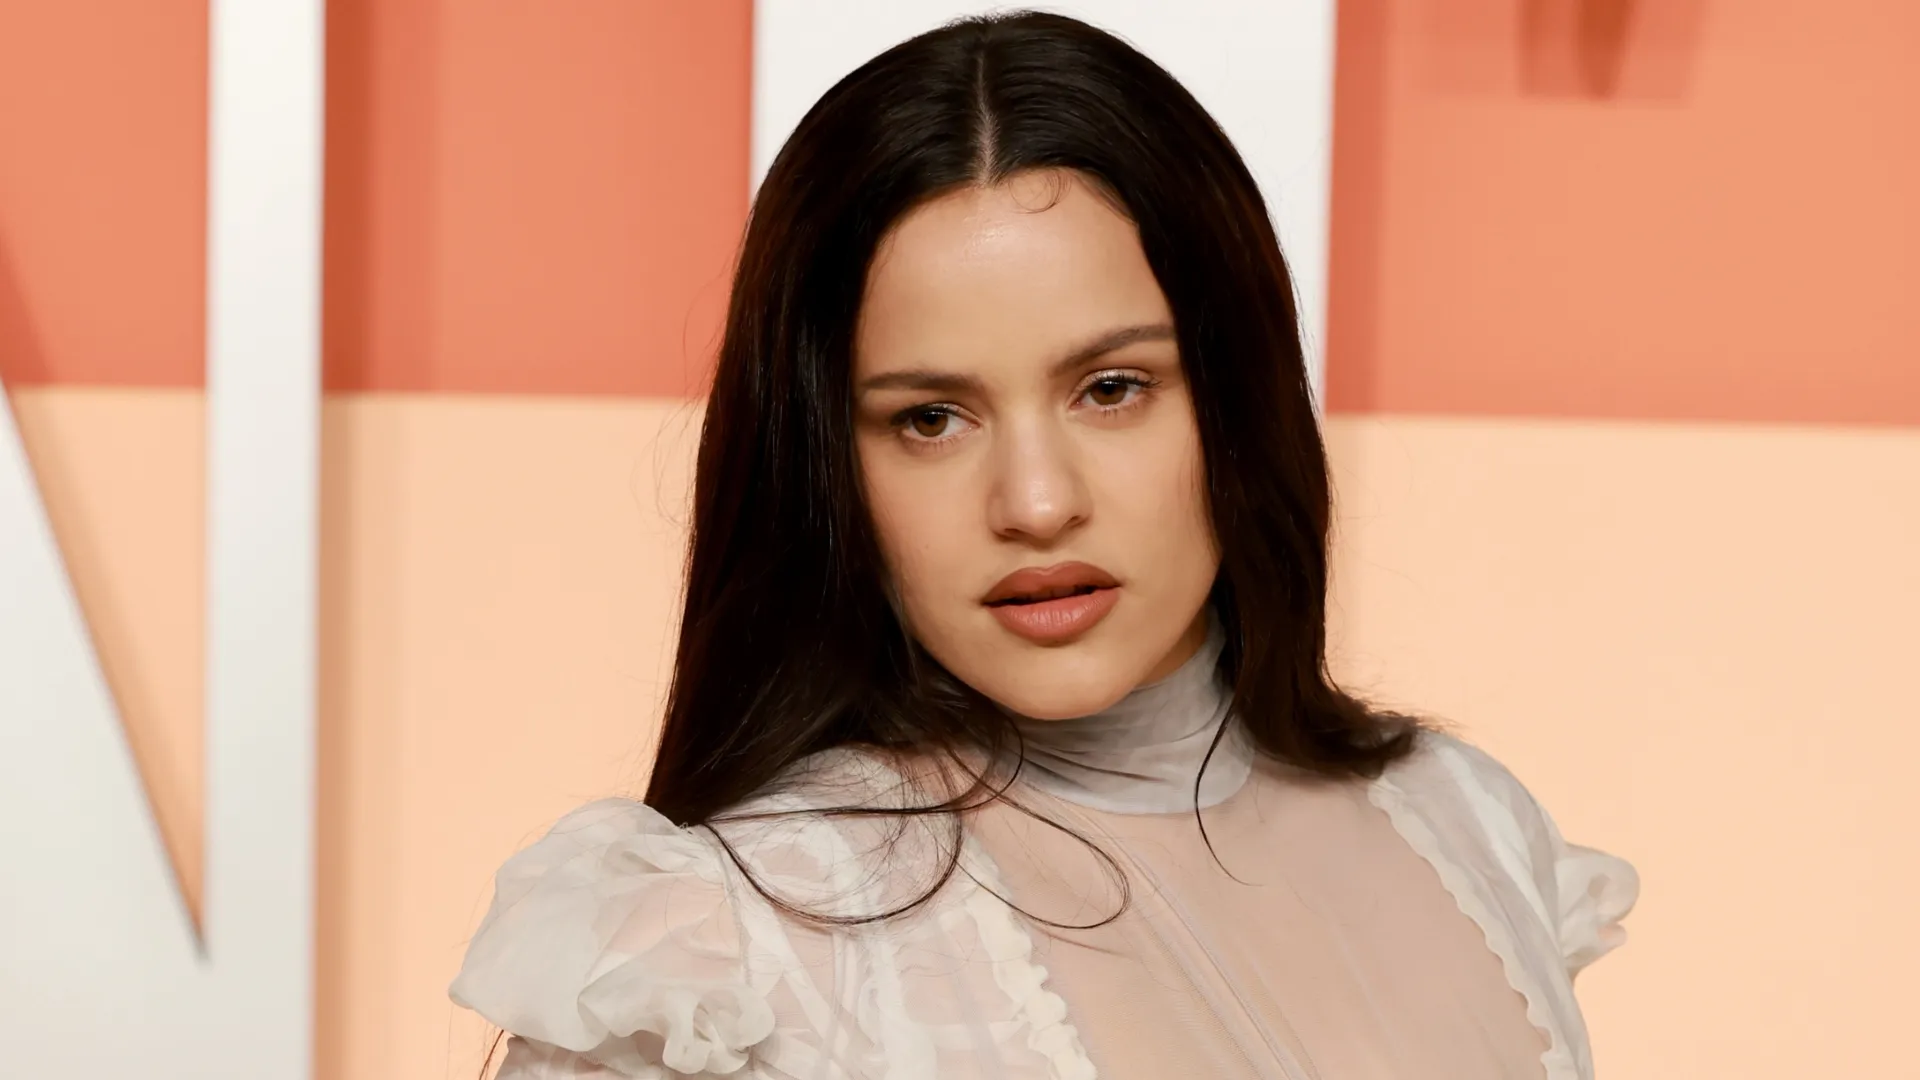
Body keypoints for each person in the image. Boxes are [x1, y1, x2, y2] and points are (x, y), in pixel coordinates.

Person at [449, 11, 1638, 1079]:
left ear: (1238, 394)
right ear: (828, 466)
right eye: (930, 418)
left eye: (1112, 388)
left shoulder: (1465, 828)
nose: (1033, 502)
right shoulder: (717, 958)